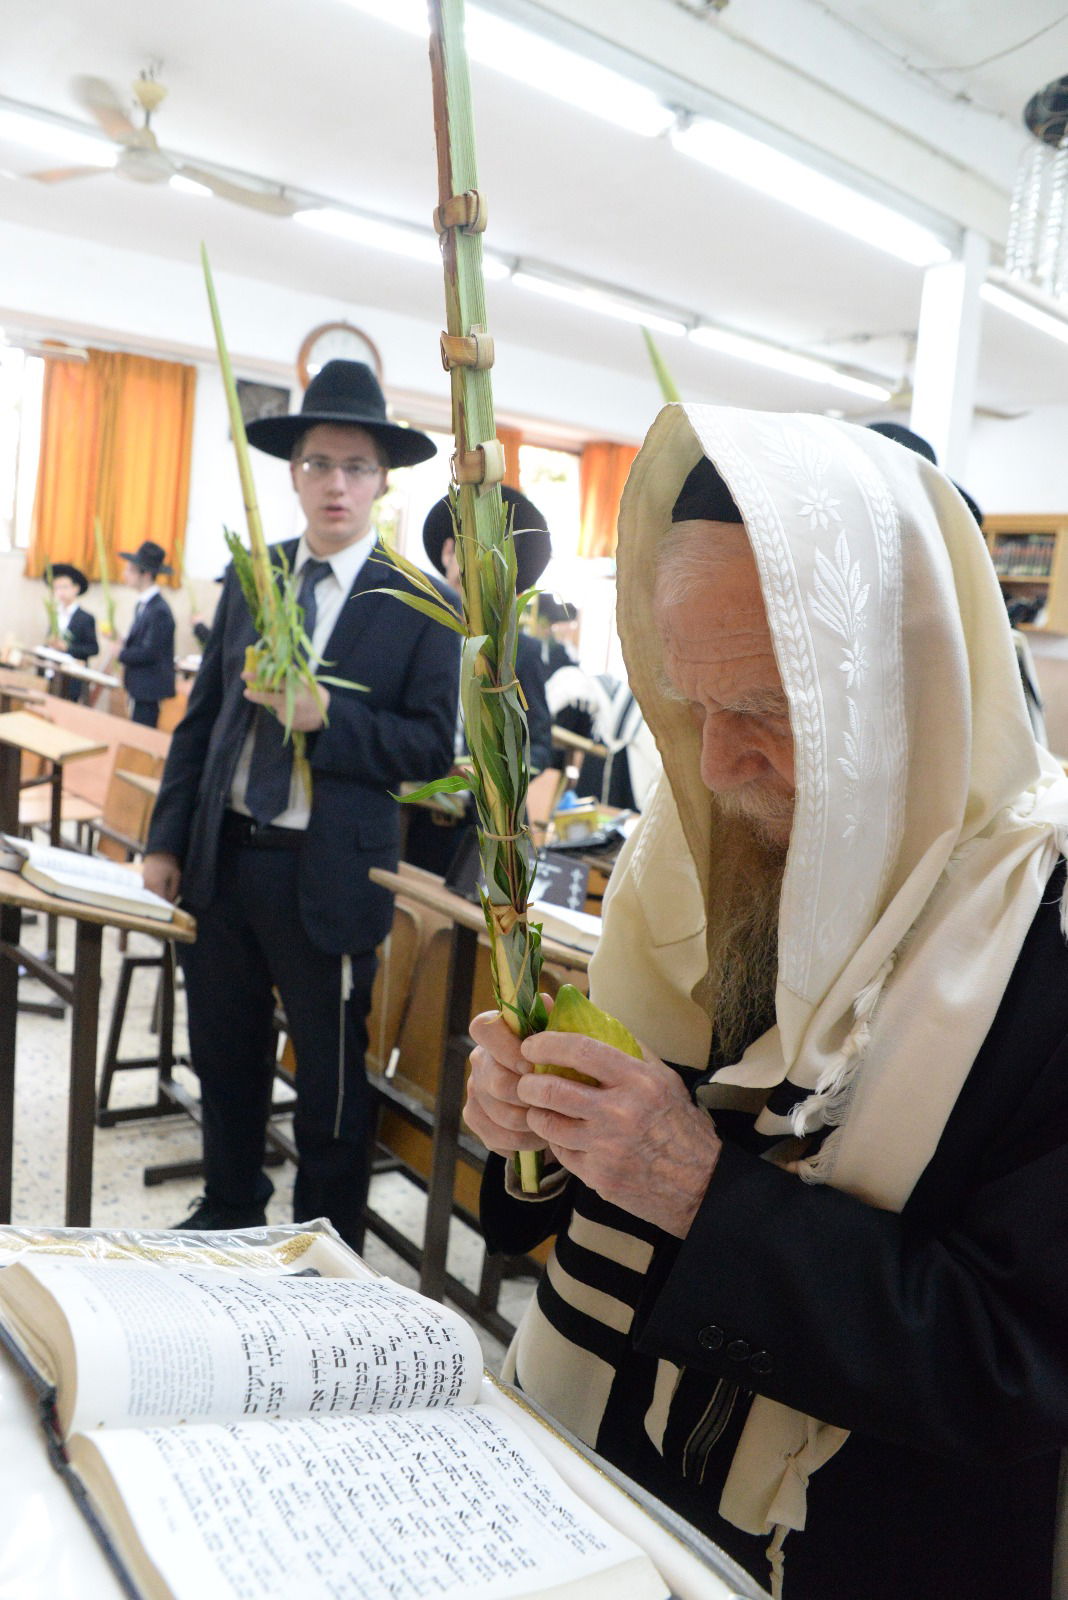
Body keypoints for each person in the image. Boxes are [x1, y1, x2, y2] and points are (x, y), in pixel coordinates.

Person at [465, 406, 1068, 1600]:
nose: (716, 767)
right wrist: (536, 1130)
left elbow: (1019, 1366)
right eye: (690, 707)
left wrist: (698, 1189)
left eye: (773, 715)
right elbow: (575, 1218)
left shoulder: (1037, 940)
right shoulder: (687, 856)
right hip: (595, 1492)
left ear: (909, 693)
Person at [143, 360, 459, 1244]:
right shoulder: (256, 575)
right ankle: (232, 1203)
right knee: (226, 1050)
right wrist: (166, 840)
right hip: (225, 856)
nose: (337, 484)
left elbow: (431, 749)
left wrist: (329, 721)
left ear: (383, 481)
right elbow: (202, 719)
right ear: (292, 472)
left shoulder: (421, 604)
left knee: (328, 1077)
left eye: (356, 467)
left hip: (327, 873)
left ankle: (324, 1243)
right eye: (319, 463)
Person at [405, 486, 554, 877]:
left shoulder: (521, 651)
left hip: (476, 829)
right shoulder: (414, 633)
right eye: (469, 549)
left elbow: (538, 745)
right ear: (448, 553)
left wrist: (490, 769)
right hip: (404, 813)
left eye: (495, 556)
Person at [117, 540, 176, 727]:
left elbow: (150, 652)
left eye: (130, 570)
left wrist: (120, 653)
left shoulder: (159, 610)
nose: (125, 575)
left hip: (148, 688)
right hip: (139, 686)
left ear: (146, 574)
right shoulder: (144, 605)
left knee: (141, 735)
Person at [44, 562, 98, 701]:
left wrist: (68, 648)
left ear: (76, 588)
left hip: (72, 676)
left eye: (64, 587)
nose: (60, 592)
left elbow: (93, 648)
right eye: (56, 588)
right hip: (52, 671)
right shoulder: (55, 614)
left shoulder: (85, 618)